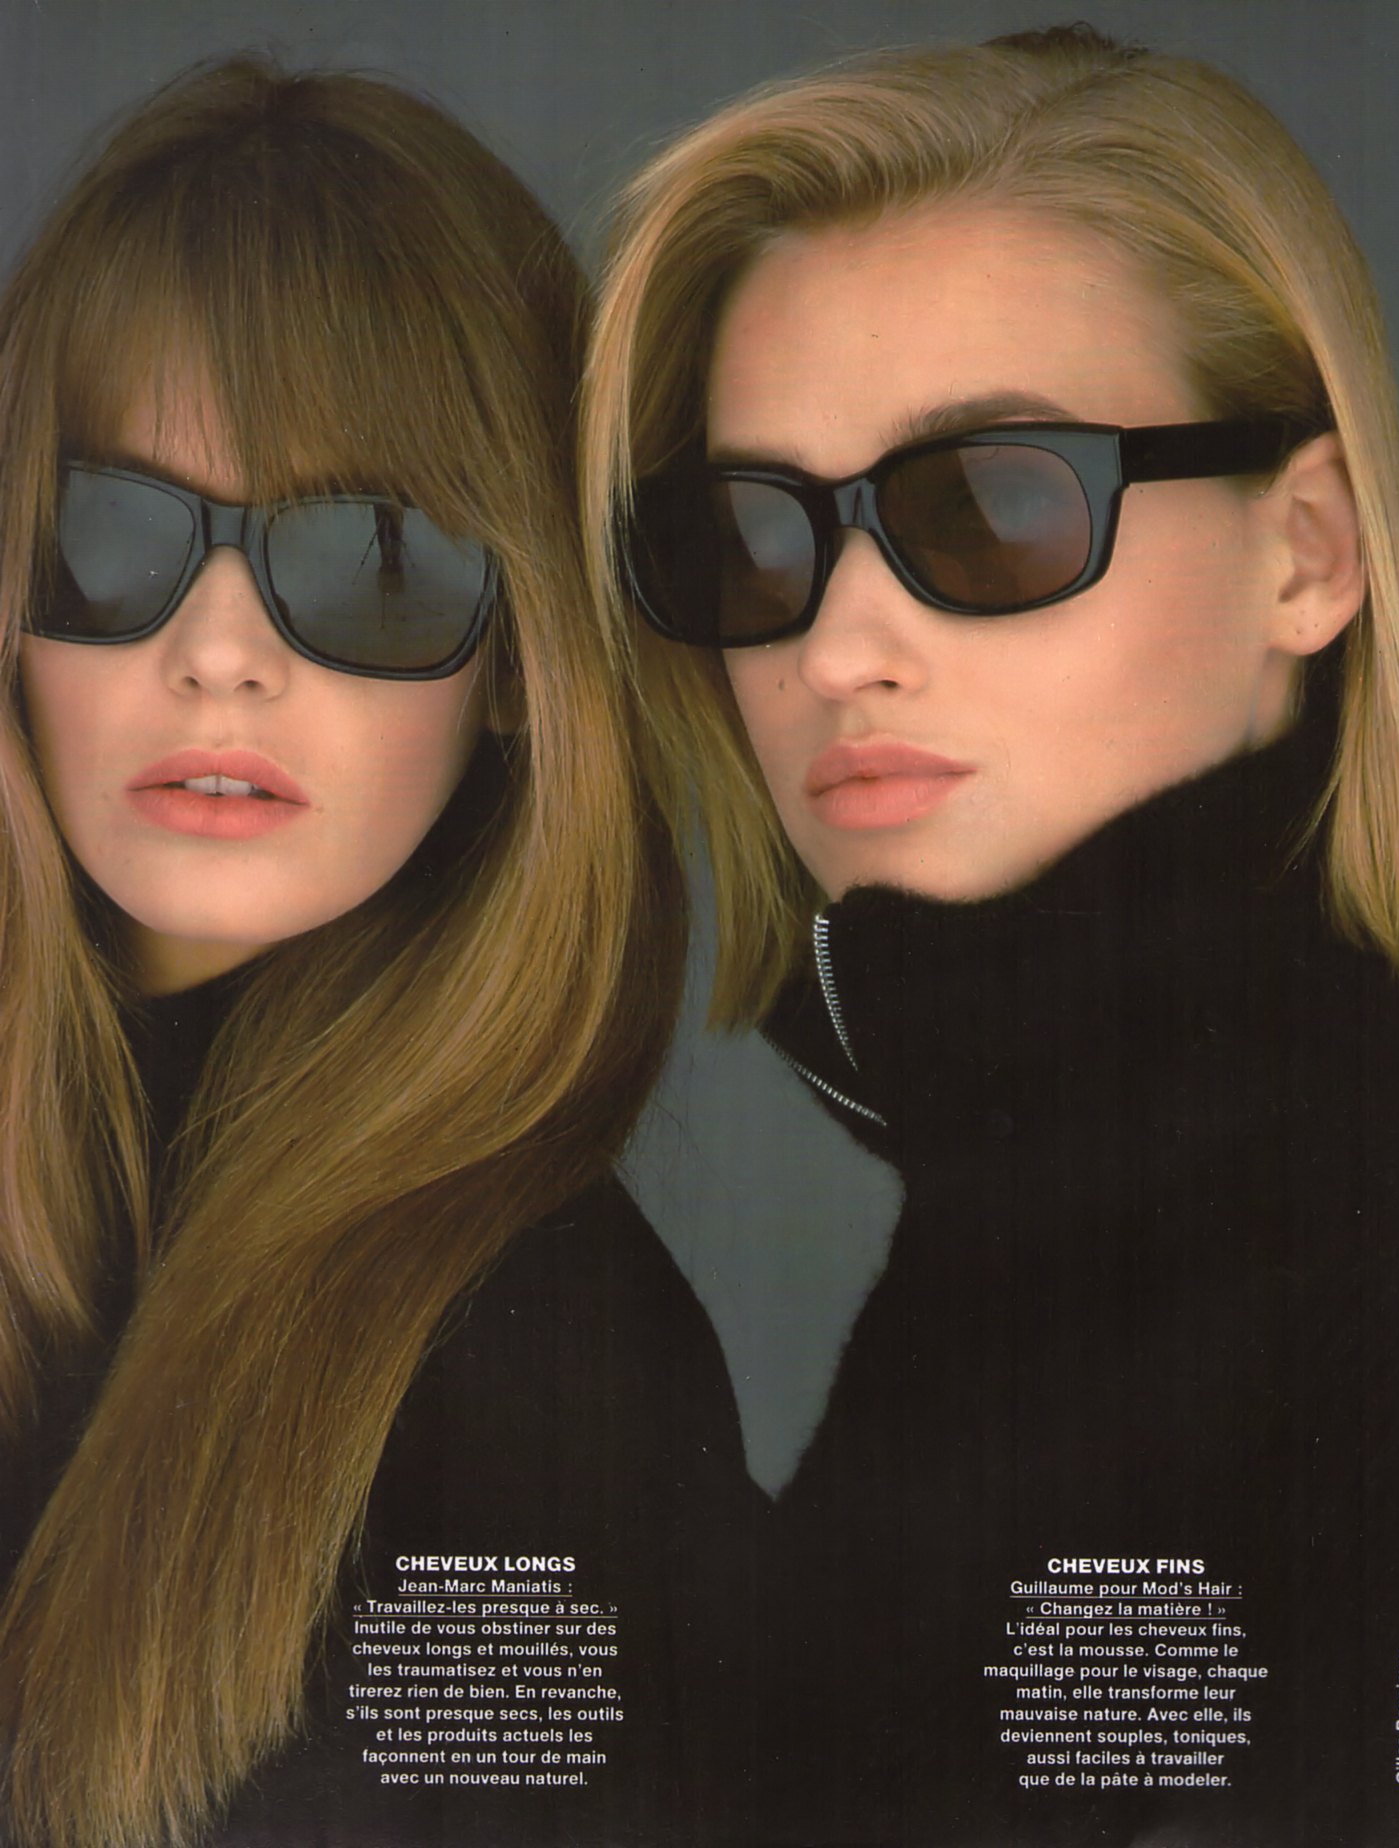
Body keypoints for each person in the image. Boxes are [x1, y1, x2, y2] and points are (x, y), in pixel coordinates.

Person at [584, 24, 1399, 1846]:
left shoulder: (1357, 1255)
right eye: (756, 538)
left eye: (990, 505)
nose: (836, 647)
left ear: (1305, 554)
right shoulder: (1022, 1235)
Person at [0, 59, 757, 1848]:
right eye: (114, 530)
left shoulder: (549, 1362)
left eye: (377, 560)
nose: (219, 652)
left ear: (521, 667)